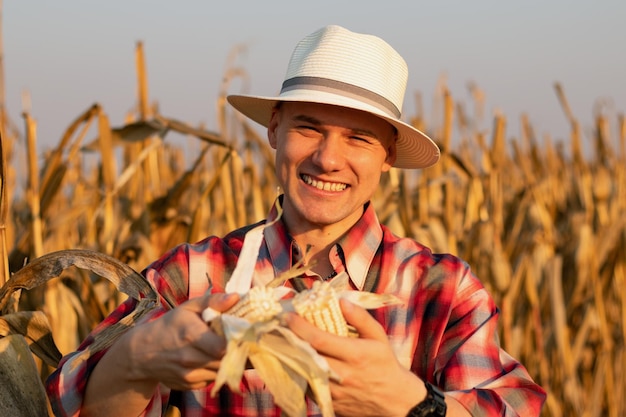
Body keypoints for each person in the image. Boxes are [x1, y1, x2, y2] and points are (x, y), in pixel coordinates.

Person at [46, 25, 546, 416]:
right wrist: (137, 359)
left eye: (359, 138)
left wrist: (413, 405)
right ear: (275, 130)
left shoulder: (445, 290)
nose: (328, 159)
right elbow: (71, 403)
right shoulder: (191, 277)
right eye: (308, 127)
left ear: (388, 156)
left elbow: (510, 406)